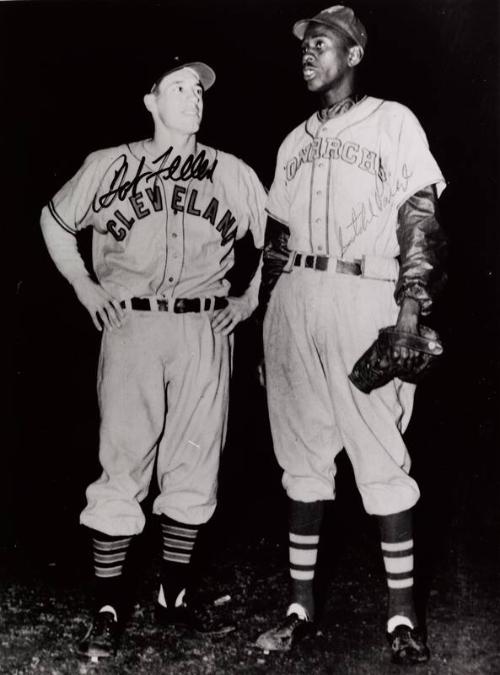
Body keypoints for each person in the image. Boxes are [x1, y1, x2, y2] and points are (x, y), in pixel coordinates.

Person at [40, 56, 266, 661]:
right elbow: (54, 221)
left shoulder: (231, 172)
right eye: (178, 87)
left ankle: (173, 596)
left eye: (198, 89)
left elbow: (282, 237)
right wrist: (85, 286)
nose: (193, 97)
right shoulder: (109, 164)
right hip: (131, 322)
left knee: (194, 470)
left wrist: (248, 300)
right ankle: (109, 608)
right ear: (150, 101)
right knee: (123, 462)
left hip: (204, 328)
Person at [255, 6, 447, 665]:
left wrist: (411, 308)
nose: (307, 54)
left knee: (380, 456)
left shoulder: (393, 121)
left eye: (321, 44)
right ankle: (298, 608)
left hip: (363, 294)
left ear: (355, 53)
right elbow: (277, 243)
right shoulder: (290, 142)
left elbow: (418, 218)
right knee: (302, 459)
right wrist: (267, 324)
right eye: (303, 46)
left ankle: (401, 616)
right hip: (295, 300)